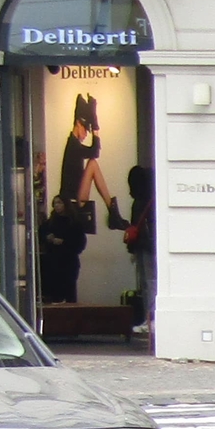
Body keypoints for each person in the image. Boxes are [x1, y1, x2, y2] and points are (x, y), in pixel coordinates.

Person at [58, 93, 122, 231]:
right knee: (92, 163)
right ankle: (112, 209)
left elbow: (94, 151)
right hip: (73, 200)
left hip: (74, 196)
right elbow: (95, 152)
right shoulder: (73, 145)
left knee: (92, 163)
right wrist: (96, 129)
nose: (86, 133)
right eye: (85, 129)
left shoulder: (73, 144)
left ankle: (112, 209)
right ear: (77, 123)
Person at [123, 165, 155, 334]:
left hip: (143, 246)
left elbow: (136, 225)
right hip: (150, 245)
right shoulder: (152, 199)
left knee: (148, 282)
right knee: (150, 282)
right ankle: (151, 317)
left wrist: (132, 249)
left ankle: (150, 317)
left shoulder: (138, 202)